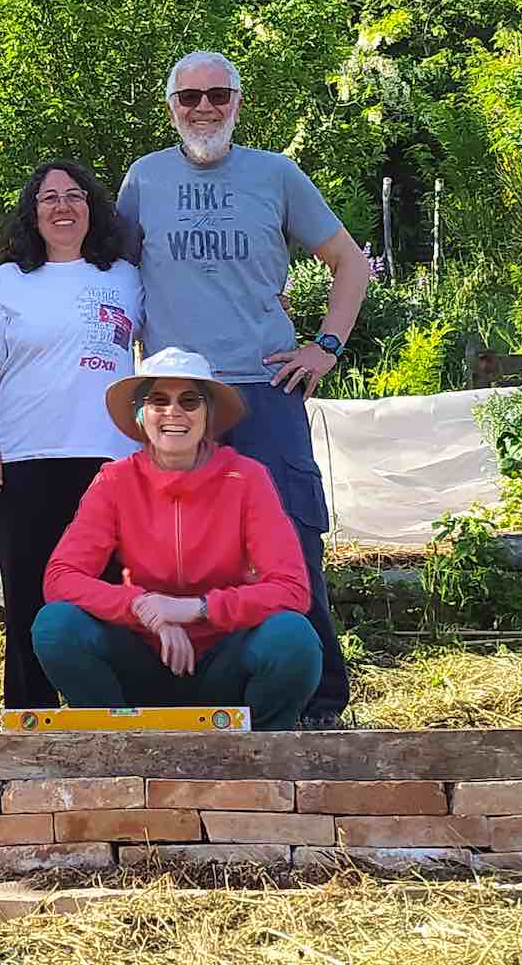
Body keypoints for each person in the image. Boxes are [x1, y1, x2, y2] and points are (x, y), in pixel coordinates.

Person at [115, 50, 371, 724]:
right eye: (189, 97)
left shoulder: (276, 175)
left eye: (217, 96)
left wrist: (325, 347)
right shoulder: (143, 180)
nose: (204, 108)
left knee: (289, 540)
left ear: (238, 101)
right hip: (176, 395)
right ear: (170, 105)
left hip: (263, 388)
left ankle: (318, 700)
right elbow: (112, 277)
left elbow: (350, 263)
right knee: (176, 545)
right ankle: (195, 688)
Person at [34, 348, 323, 729]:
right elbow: (61, 578)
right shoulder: (114, 481)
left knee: (293, 639)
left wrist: (195, 609)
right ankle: (110, 745)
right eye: (159, 400)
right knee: (56, 625)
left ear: (209, 416)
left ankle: (260, 756)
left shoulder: (247, 477)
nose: (173, 412)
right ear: (141, 414)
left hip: (225, 663)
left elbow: (292, 589)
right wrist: (145, 608)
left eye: (189, 401)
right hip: (141, 662)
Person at [0, 160, 143, 711]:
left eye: (74, 196)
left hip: (112, 460)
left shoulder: (124, 276)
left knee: (110, 588)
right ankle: (28, 712)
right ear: (33, 214)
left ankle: (109, 711)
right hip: (25, 457)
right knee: (29, 591)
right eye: (48, 198)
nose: (62, 206)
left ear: (92, 208)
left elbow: (156, 360)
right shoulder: (9, 281)